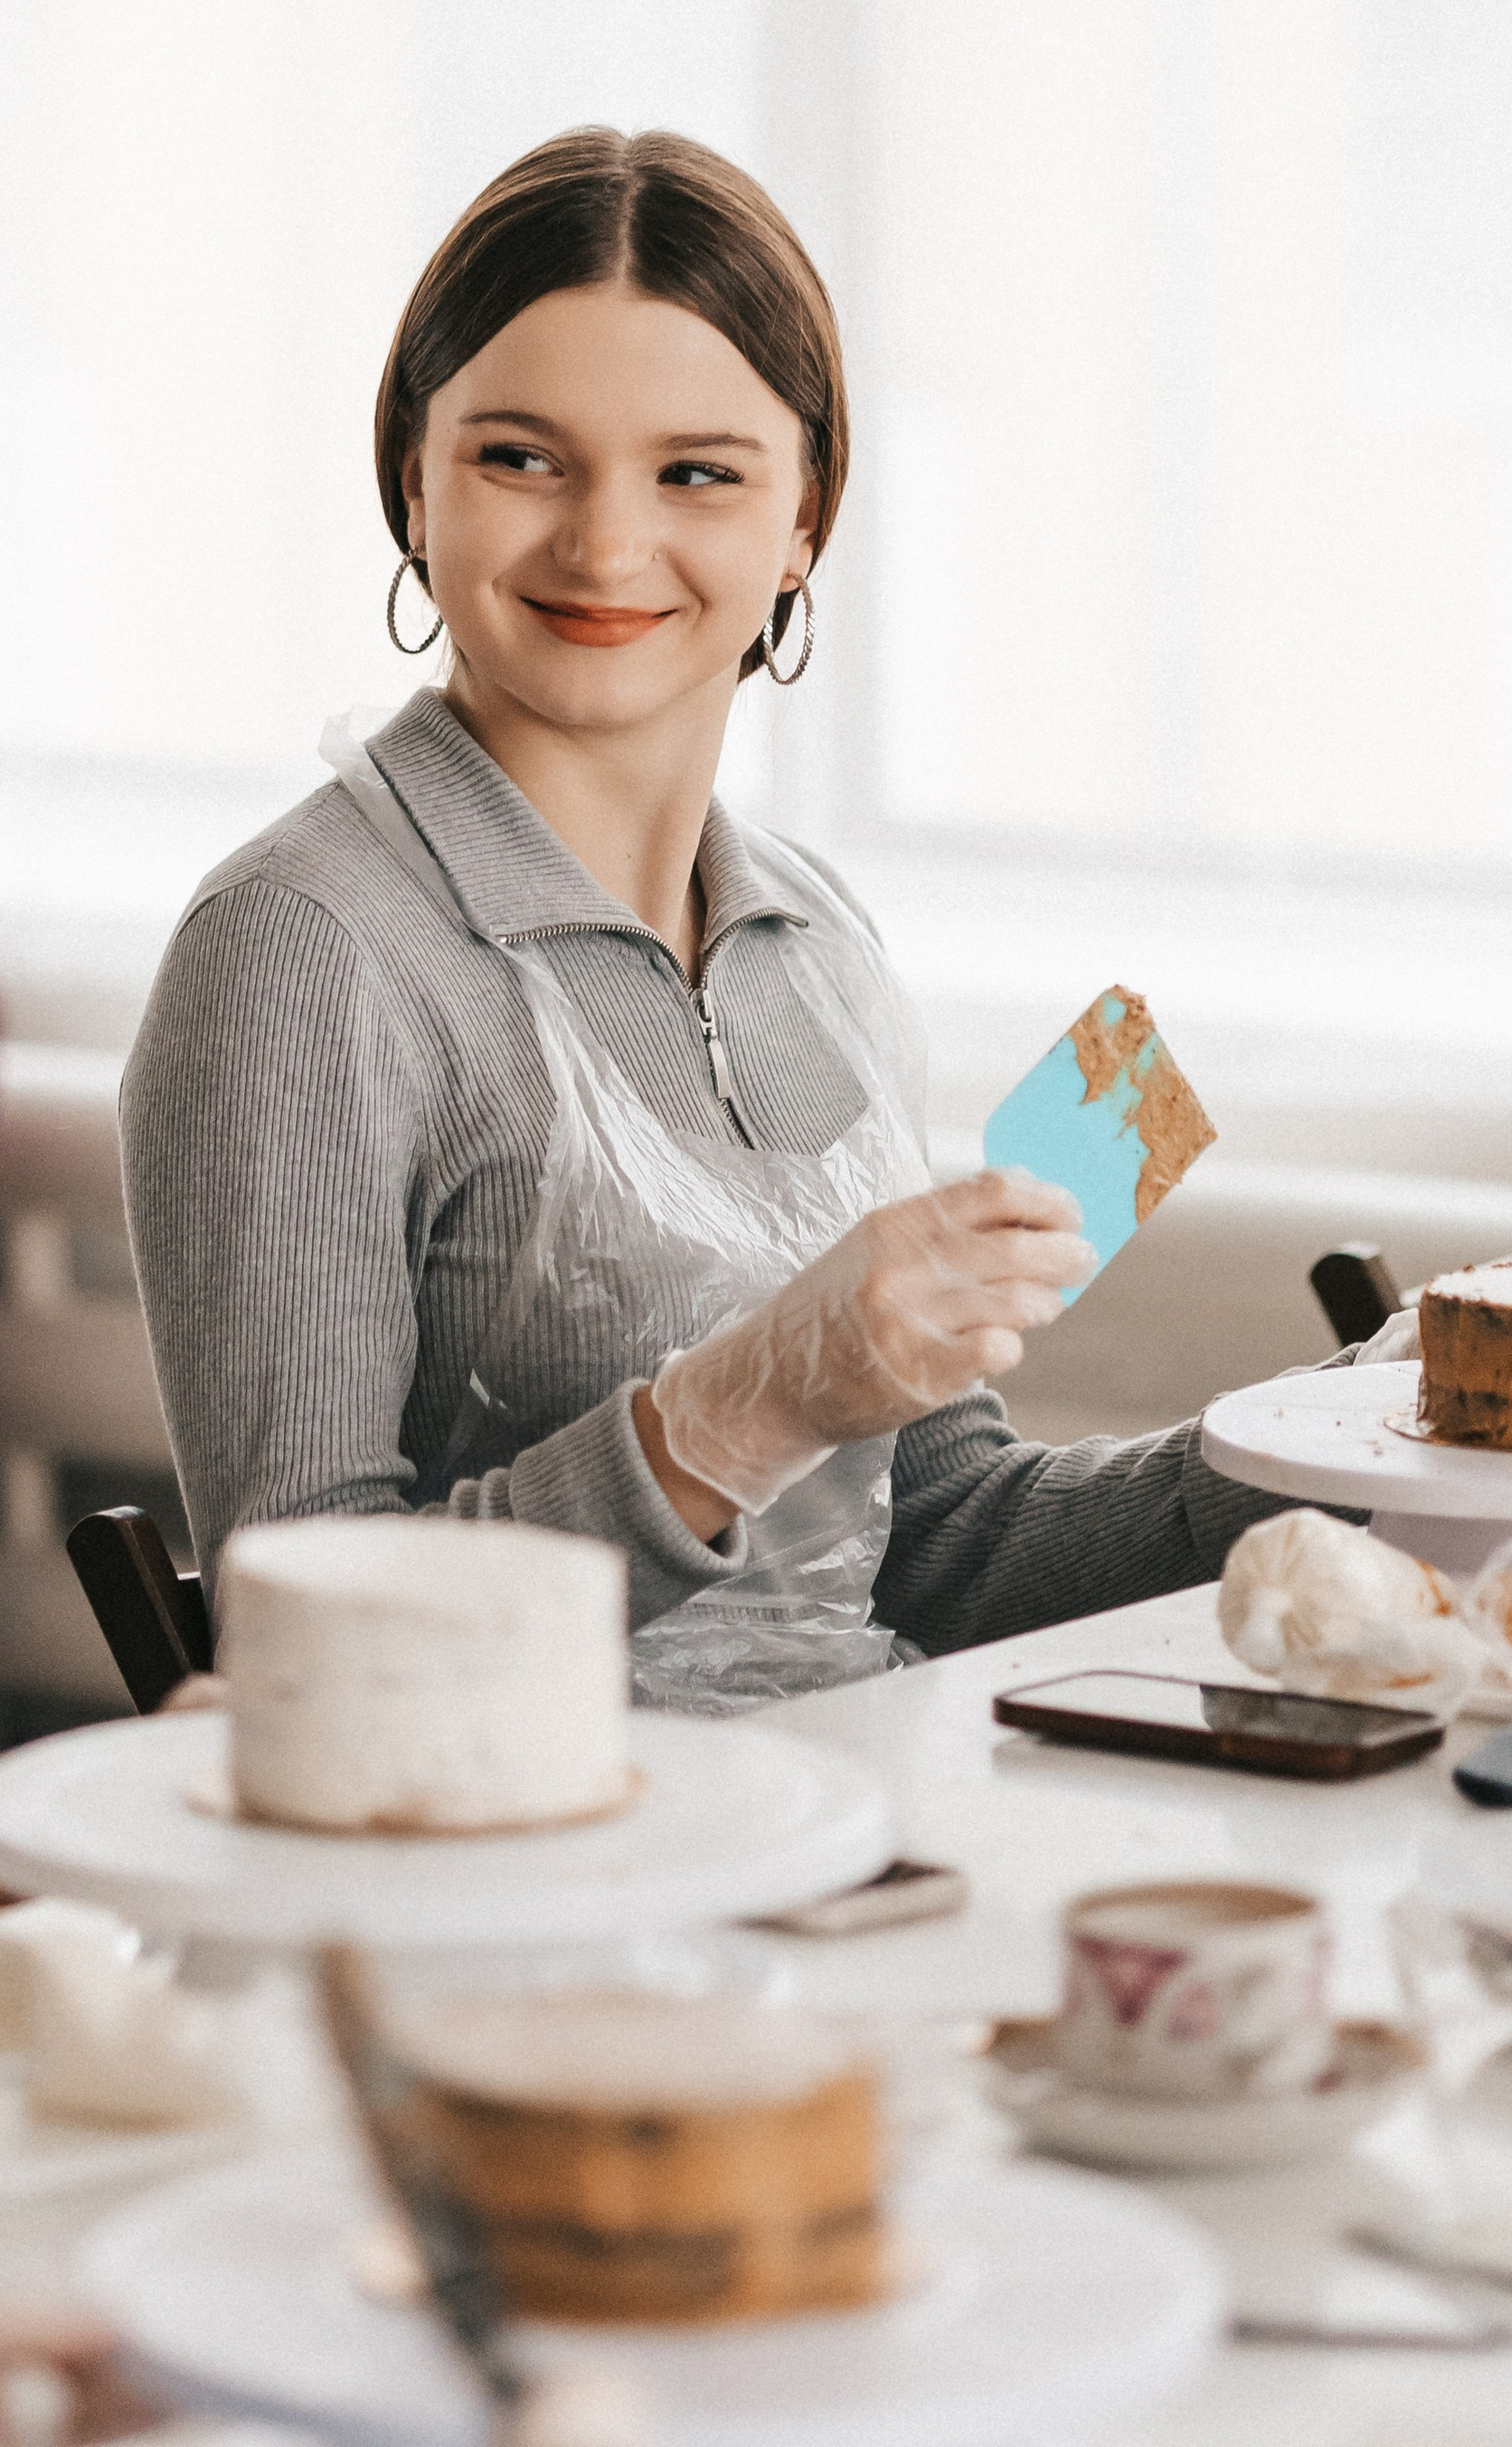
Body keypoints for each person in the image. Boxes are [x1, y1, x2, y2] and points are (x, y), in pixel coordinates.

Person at [123, 128, 1292, 1708]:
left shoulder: (816, 942)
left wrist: (1346, 1439)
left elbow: (938, 1546)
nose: (606, 545)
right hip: (519, 1890)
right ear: (416, 475)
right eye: (521, 457)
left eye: (699, 473)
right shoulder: (299, 950)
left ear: (803, 520)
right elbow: (298, 1646)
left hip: (847, 1859)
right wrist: (727, 1415)